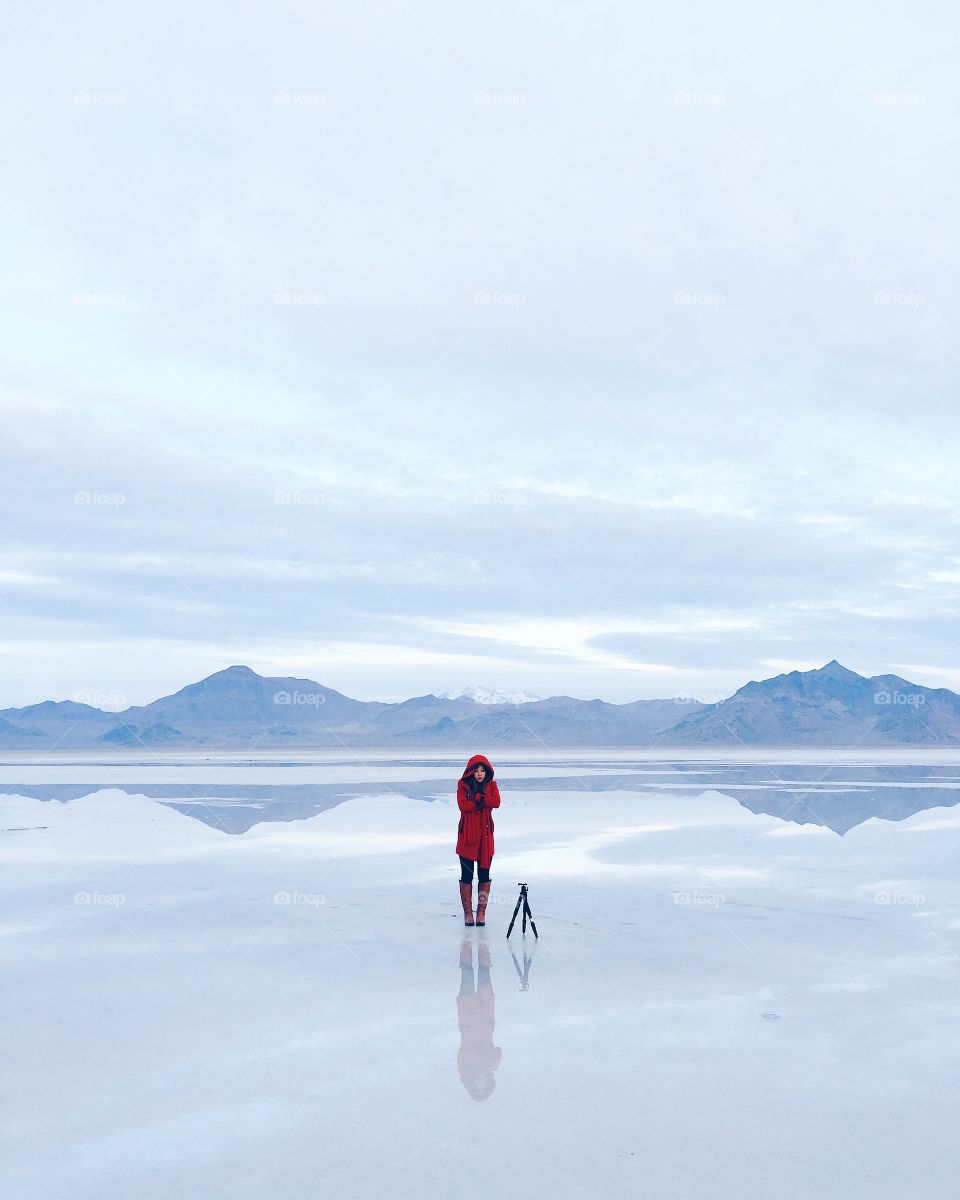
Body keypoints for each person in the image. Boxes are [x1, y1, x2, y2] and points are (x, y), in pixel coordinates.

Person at [456, 753, 500, 926]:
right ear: (470, 772)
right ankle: (468, 913)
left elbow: (496, 802)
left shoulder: (492, 785)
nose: (480, 773)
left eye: (483, 770)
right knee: (467, 875)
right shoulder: (463, 785)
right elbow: (462, 805)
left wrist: (479, 799)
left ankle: (481, 913)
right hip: (467, 838)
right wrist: (480, 802)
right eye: (477, 770)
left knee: (484, 875)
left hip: (485, 839)